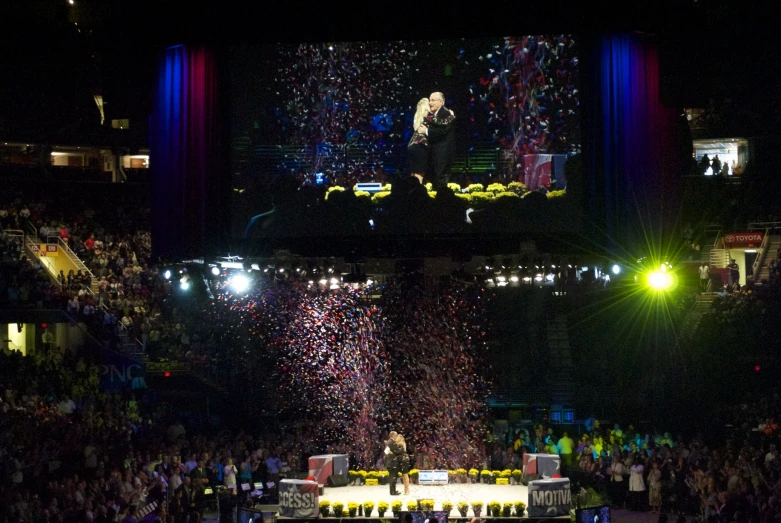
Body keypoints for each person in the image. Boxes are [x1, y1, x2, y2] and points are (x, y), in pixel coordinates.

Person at [417, 92, 455, 190]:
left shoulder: (445, 113)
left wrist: (426, 131)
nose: (430, 103)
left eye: (433, 100)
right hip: (434, 152)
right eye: (430, 100)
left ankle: (441, 201)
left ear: (441, 102)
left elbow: (442, 131)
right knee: (434, 177)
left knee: (440, 177)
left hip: (442, 152)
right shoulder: (432, 114)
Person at [408, 98, 430, 184]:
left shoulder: (417, 117)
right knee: (419, 174)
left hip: (412, 145)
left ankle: (411, 191)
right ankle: (418, 193)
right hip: (420, 147)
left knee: (413, 173)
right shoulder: (429, 116)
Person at [384, 431, 402, 495]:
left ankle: (393, 491)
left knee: (393, 477)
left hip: (391, 462)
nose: (397, 436)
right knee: (392, 477)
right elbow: (386, 451)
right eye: (396, 435)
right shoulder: (390, 442)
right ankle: (392, 492)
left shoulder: (391, 441)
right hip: (391, 463)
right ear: (393, 435)